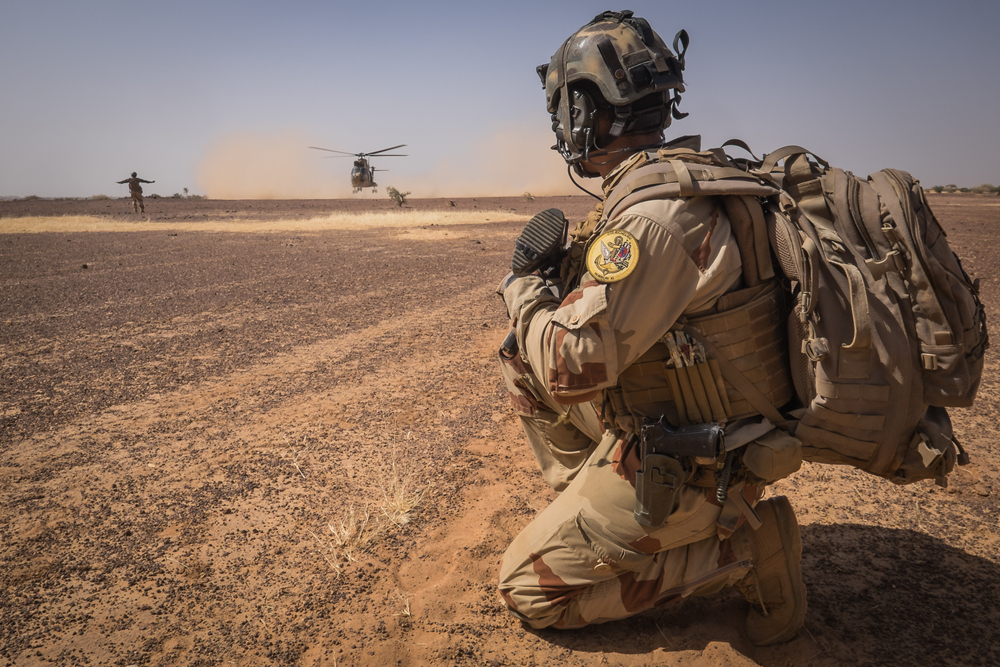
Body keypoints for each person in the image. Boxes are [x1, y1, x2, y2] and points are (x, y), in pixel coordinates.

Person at [495, 10, 806, 646]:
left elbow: (570, 365)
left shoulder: (655, 218)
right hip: (693, 428)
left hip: (698, 460)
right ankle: (608, 510)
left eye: (564, 109)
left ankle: (743, 549)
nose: (561, 127)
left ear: (588, 111)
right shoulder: (680, 181)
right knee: (518, 360)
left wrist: (523, 287)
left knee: (528, 591)